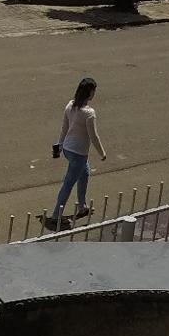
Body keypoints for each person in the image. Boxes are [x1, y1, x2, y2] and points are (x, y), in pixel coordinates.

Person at [48, 76, 106, 229]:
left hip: (68, 149)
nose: (94, 93)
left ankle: (82, 206)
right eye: (94, 91)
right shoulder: (89, 113)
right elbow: (93, 136)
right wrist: (102, 153)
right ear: (90, 92)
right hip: (79, 153)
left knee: (85, 173)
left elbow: (64, 128)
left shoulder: (70, 105)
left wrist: (60, 146)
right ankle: (56, 215)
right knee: (68, 183)